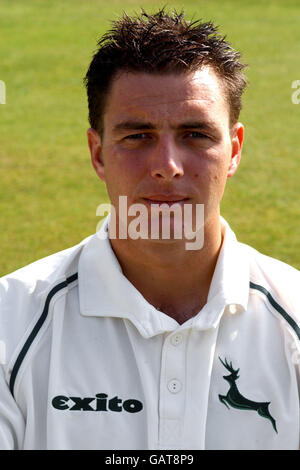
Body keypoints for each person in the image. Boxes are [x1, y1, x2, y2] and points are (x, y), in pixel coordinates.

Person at [0, 9, 299, 451]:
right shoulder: (10, 324)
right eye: (137, 136)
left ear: (234, 150)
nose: (167, 167)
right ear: (98, 152)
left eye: (195, 134)